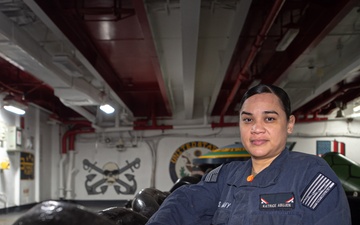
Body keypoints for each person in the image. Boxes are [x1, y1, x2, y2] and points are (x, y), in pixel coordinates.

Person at [146, 84, 351, 225]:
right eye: (248, 120)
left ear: (289, 124)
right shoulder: (225, 177)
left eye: (269, 119)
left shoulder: (310, 175)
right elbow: (183, 202)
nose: (256, 128)